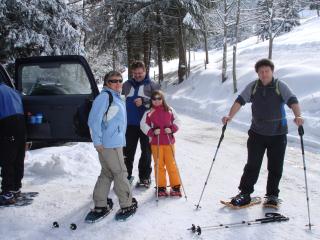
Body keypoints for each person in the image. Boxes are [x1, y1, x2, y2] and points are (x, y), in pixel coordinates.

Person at [222, 59, 304, 208]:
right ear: (258, 73)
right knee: (252, 165)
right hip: (257, 133)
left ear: (272, 71)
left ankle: (272, 196)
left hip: (278, 134)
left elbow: (292, 100)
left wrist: (298, 115)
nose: (264, 74)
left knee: (275, 166)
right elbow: (240, 100)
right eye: (261, 72)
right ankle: (245, 193)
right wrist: (230, 116)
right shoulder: (253, 86)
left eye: (267, 71)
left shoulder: (280, 86)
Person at [88, 71, 137, 220]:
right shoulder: (105, 97)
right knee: (120, 172)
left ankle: (100, 205)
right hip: (110, 144)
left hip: (110, 142)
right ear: (106, 83)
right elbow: (93, 121)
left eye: (120, 80)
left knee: (107, 173)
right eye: (113, 81)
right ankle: (126, 204)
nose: (118, 83)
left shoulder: (115, 97)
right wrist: (97, 142)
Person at [122, 61, 160, 188]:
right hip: (130, 124)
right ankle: (125, 177)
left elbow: (159, 102)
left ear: (145, 71)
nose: (138, 75)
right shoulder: (126, 85)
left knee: (146, 152)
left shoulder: (152, 85)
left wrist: (144, 101)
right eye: (135, 73)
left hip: (147, 125)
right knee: (127, 152)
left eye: (140, 73)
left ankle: (144, 178)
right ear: (132, 73)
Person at [140, 90, 182, 197]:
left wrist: (172, 128)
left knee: (171, 164)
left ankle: (175, 186)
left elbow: (178, 121)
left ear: (163, 99)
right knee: (159, 165)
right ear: (151, 100)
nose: (157, 101)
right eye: (154, 99)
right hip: (156, 142)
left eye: (159, 98)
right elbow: (143, 124)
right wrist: (152, 131)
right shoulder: (149, 112)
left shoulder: (170, 110)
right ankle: (161, 186)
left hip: (168, 142)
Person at [0, 80, 26, 205]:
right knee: (17, 158)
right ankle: (15, 188)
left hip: (7, 125)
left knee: (7, 160)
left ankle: (6, 193)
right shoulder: (12, 90)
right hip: (21, 125)